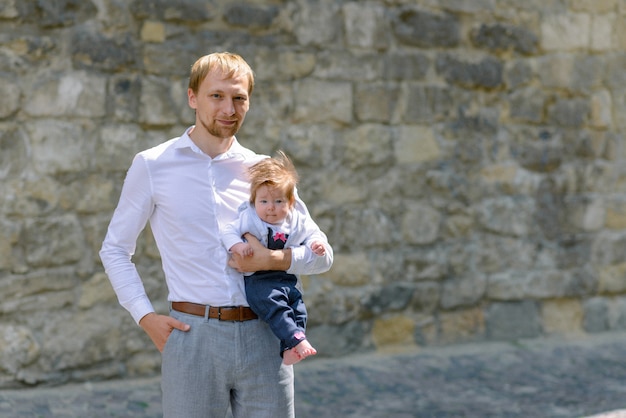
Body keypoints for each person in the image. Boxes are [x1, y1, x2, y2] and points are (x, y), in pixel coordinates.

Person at [99, 52, 333, 418]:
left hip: (264, 336)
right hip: (193, 337)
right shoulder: (152, 165)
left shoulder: (264, 172)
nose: (229, 108)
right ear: (192, 97)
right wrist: (146, 317)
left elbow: (322, 255)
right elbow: (114, 250)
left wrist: (274, 259)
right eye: (217, 96)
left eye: (239, 98)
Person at [222, 151, 327, 366]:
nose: (271, 207)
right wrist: (238, 245)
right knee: (276, 307)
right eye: (264, 201)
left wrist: (316, 245)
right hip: (260, 282)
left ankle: (290, 347)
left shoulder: (295, 220)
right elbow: (228, 231)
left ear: (290, 202)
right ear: (254, 201)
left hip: (286, 277)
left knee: (297, 307)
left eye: (278, 201)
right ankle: (296, 340)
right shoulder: (249, 217)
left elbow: (313, 234)